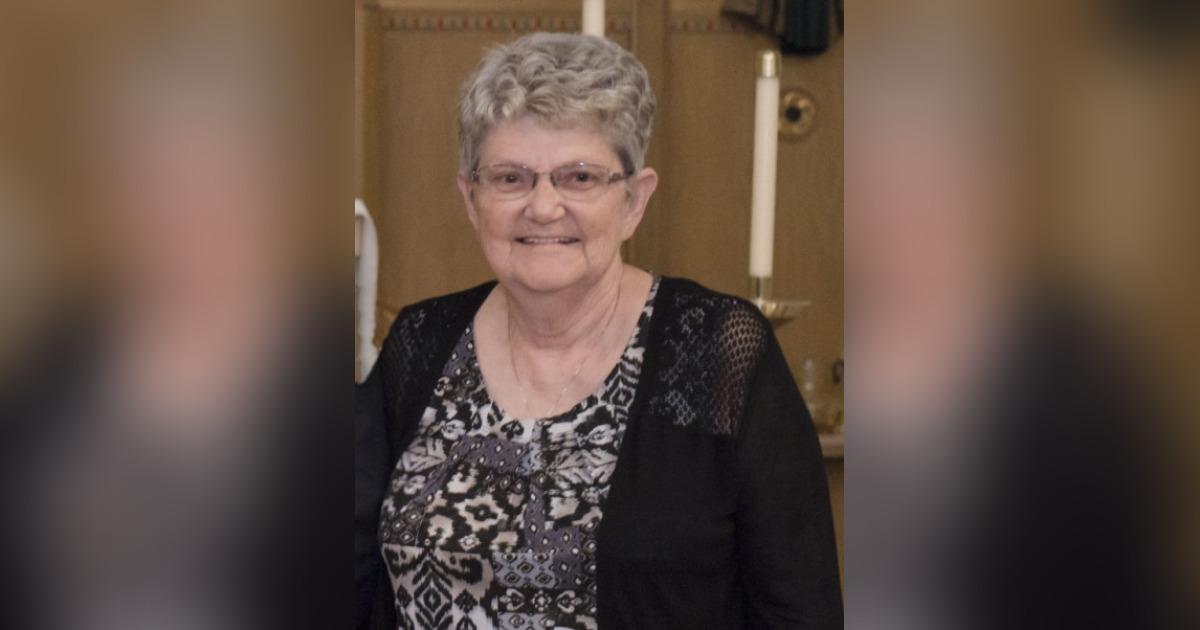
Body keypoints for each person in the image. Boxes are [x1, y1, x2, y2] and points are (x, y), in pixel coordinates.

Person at [355, 32, 842, 630]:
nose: (543, 207)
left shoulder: (716, 349)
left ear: (634, 200)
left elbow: (802, 611)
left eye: (580, 177)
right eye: (509, 178)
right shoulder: (421, 341)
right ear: (470, 198)